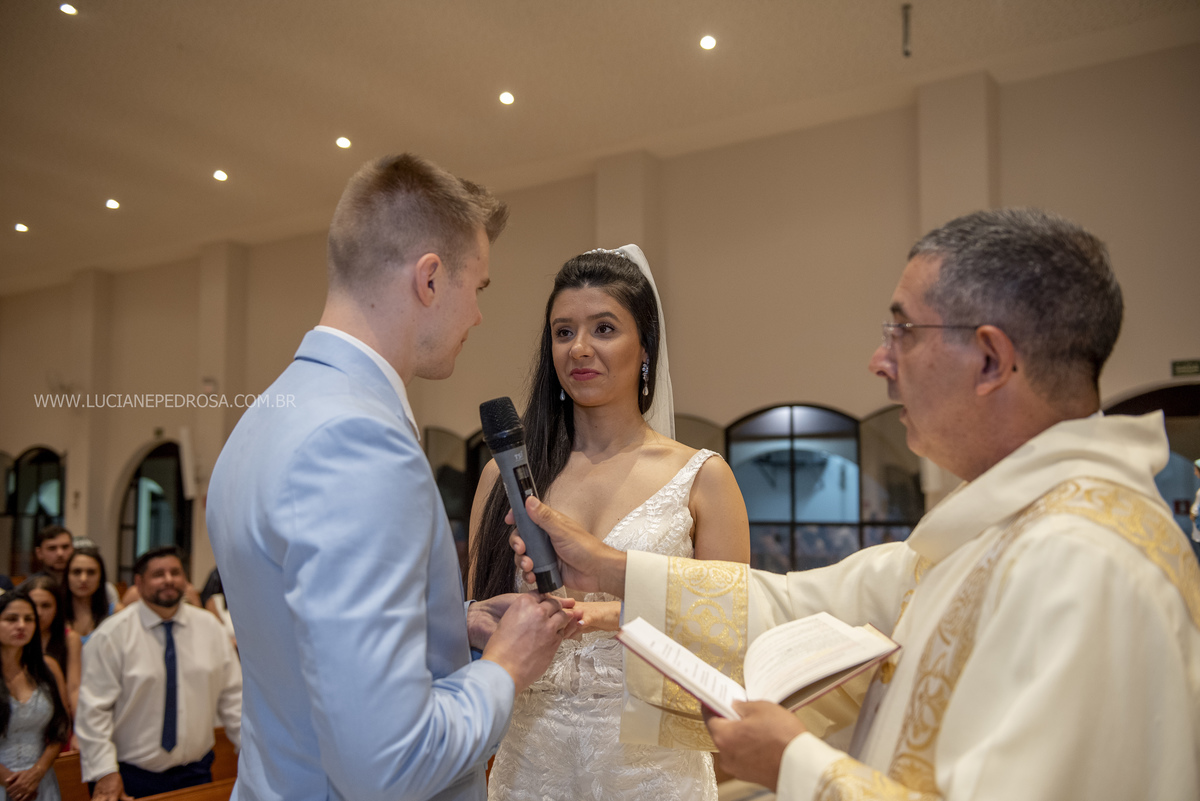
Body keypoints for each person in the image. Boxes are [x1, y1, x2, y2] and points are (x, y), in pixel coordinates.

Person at [510, 208, 1200, 800]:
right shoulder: (1000, 528)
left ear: (991, 360)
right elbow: (805, 604)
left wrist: (794, 763)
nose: (879, 359)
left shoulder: (1085, 563)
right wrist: (611, 569)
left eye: (903, 332)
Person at [206, 153, 578, 801]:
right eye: (478, 289)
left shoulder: (265, 416)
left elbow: (305, 636)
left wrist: (454, 621)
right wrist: (504, 667)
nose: (478, 317)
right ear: (429, 279)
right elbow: (389, 764)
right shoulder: (358, 441)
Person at [470, 245, 750, 800]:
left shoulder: (702, 479)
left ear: (645, 346)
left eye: (603, 328)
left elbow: (728, 641)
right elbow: (475, 619)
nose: (579, 348)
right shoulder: (507, 476)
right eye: (563, 332)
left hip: (653, 773)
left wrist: (603, 615)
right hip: (530, 769)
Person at [75, 546, 242, 800]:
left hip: (195, 772)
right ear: (139, 582)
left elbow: (235, 699)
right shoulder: (112, 635)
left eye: (175, 572)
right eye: (158, 574)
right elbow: (93, 711)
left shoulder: (210, 628)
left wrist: (250, 754)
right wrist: (104, 772)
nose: (168, 580)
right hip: (130, 775)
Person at [0, 590, 71, 801]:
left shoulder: (48, 668)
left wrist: (38, 771)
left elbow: (61, 727)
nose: (21, 625)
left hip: (40, 780)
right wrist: (11, 781)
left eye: (28, 619)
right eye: (11, 619)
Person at [15, 576, 81, 718]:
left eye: (46, 606)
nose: (38, 612)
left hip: (58, 710)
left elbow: (74, 688)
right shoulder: (14, 637)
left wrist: (76, 724)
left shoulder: (70, 639)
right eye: (33, 605)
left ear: (57, 608)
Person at [60, 548, 112, 645]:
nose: (83, 579)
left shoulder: (115, 613)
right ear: (66, 576)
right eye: (76, 572)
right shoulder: (54, 613)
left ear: (101, 577)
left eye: (91, 572)